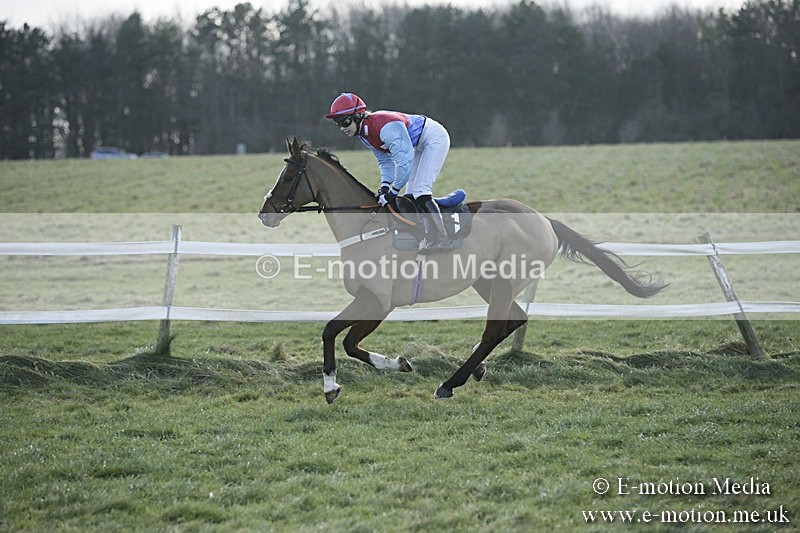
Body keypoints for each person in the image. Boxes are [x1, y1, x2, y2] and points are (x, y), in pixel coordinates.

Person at [325, 92, 454, 254]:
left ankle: (443, 239)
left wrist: (393, 192)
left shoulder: (385, 127)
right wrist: (385, 186)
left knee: (421, 190)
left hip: (434, 138)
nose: (342, 128)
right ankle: (424, 235)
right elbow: (385, 162)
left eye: (345, 122)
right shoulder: (365, 135)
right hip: (419, 143)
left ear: (359, 115)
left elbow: (404, 162)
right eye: (338, 124)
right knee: (410, 195)